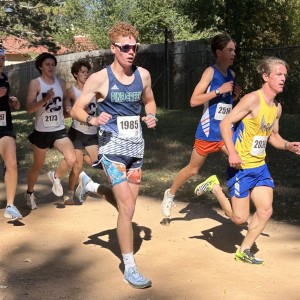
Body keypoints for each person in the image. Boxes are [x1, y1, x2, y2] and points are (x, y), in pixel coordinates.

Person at [70, 22, 157, 289]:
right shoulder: (100, 79)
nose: (132, 51)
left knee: (125, 206)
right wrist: (93, 120)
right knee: (128, 208)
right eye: (126, 47)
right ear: (114, 48)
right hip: (111, 149)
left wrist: (151, 114)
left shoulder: (143, 75)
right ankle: (129, 266)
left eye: (135, 47)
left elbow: (150, 100)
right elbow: (76, 110)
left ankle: (92, 185)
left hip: (135, 149)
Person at [194, 57, 300, 264]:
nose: (283, 79)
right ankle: (215, 187)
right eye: (278, 74)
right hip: (240, 167)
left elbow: (273, 137)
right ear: (265, 76)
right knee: (239, 219)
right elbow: (225, 123)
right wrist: (232, 152)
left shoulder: (276, 107)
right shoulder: (252, 99)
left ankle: (244, 250)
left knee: (266, 210)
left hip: (260, 168)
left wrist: (288, 145)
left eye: (285, 75)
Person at [161, 32, 241, 218]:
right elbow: (194, 101)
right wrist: (218, 90)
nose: (233, 53)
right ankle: (170, 194)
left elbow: (226, 105)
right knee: (193, 169)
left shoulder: (232, 74)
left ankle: (234, 199)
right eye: (229, 50)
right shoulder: (210, 72)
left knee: (241, 162)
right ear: (218, 52)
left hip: (225, 133)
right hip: (208, 131)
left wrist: (234, 96)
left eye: (234, 50)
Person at [25, 52, 76, 209]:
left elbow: (64, 103)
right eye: (47, 64)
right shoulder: (36, 83)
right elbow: (28, 108)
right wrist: (45, 99)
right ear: (40, 66)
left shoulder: (60, 83)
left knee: (71, 159)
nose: (51, 67)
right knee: (38, 165)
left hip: (58, 129)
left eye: (53, 64)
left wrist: (70, 108)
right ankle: (29, 193)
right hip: (41, 131)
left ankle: (55, 176)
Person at [63, 59, 98, 205]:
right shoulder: (72, 91)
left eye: (87, 71)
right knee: (77, 167)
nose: (86, 74)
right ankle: (70, 194)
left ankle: (82, 160)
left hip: (91, 133)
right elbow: (65, 112)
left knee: (97, 162)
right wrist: (71, 110)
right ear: (75, 74)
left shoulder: (94, 90)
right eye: (82, 72)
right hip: (77, 132)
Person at [0, 46, 23, 221]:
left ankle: (10, 205)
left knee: (12, 163)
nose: (2, 62)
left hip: (4, 126)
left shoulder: (4, 78)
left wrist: (12, 103)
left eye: (3, 58)